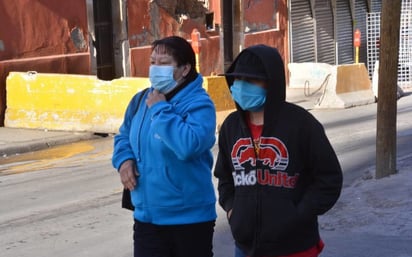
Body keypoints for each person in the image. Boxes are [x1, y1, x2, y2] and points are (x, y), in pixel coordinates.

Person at [214, 44, 343, 257]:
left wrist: (298, 215)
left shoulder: (301, 124)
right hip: (245, 247)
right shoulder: (231, 126)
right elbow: (225, 177)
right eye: (238, 80)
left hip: (295, 247)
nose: (242, 86)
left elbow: (329, 179)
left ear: (271, 83)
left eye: (251, 80)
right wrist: (231, 210)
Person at [112, 36, 217, 257]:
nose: (155, 69)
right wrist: (124, 161)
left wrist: (161, 110)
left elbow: (188, 145)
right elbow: (124, 136)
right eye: (152, 62)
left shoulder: (199, 104)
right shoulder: (141, 100)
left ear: (185, 68)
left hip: (189, 220)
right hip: (147, 217)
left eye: (164, 63)